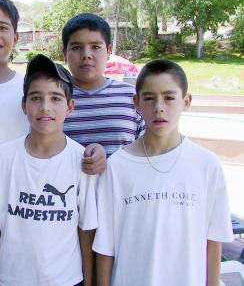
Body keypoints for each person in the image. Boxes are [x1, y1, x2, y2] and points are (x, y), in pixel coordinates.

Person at [0, 0, 105, 284]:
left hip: (22, 233)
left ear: (15, 35)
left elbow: (60, 144)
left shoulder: (29, 88)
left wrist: (96, 151)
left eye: (3, 27)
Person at [93, 59, 234, 286]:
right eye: (149, 98)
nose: (159, 107)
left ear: (186, 101)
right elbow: (105, 245)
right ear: (136, 102)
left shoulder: (206, 165)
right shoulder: (117, 166)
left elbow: (214, 239)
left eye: (169, 97)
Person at [0, 54, 98, 286]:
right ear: (24, 105)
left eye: (55, 98)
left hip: (66, 279)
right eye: (35, 98)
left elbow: (86, 229)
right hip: (11, 279)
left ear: (70, 106)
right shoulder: (4, 156)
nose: (45, 107)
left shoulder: (80, 159)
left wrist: (89, 280)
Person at [62, 13, 145, 158]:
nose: (86, 55)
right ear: (64, 53)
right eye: (76, 48)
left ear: (108, 51)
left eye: (95, 46)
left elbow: (146, 151)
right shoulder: (54, 98)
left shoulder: (131, 97)